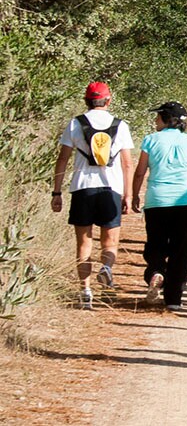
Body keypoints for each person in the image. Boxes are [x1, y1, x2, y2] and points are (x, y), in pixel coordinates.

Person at [51, 82, 135, 310]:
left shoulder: (75, 124)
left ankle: (85, 290)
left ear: (86, 100)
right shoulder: (120, 125)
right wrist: (128, 195)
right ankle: (106, 268)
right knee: (110, 241)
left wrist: (56, 192)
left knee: (83, 243)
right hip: (111, 188)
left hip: (82, 188)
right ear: (108, 101)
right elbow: (127, 163)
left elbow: (63, 159)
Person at [131, 102, 187, 311]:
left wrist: (134, 195)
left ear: (167, 119)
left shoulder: (150, 140)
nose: (155, 121)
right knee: (181, 249)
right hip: (185, 201)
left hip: (157, 200)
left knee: (156, 242)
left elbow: (140, 172)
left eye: (158, 117)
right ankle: (174, 298)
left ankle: (156, 271)